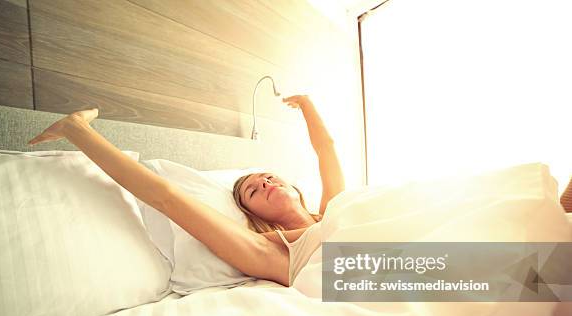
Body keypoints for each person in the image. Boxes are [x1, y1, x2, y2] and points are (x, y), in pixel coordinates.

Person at [27, 94, 345, 287]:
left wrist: (305, 103)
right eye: (252, 191)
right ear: (253, 215)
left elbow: (327, 150)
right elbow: (166, 197)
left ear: (293, 187)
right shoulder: (268, 253)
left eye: (269, 177)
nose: (264, 182)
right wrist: (78, 130)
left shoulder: (335, 211)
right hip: (371, 270)